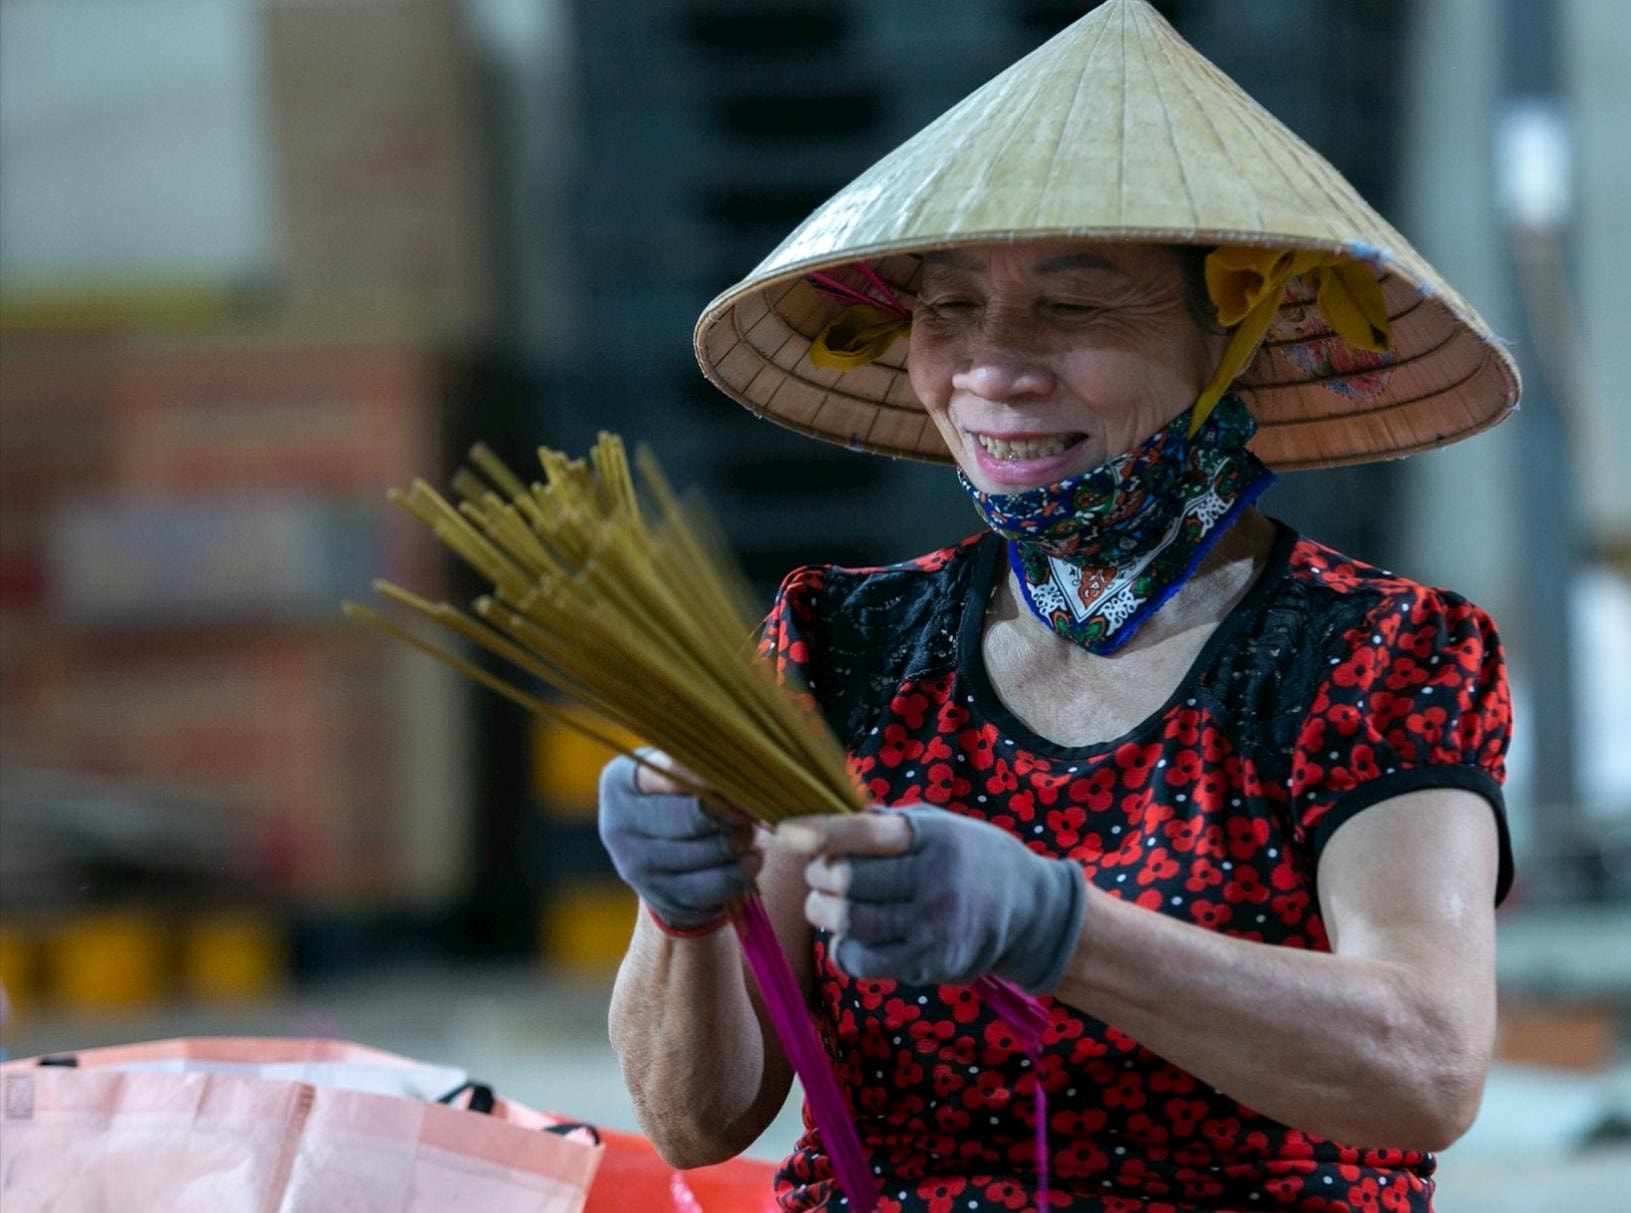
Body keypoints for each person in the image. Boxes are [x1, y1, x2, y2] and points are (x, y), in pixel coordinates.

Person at [602, 3, 1518, 1211]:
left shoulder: (1375, 655)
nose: (990, 367)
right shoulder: (842, 646)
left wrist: (1057, 930)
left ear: (1231, 332)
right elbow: (695, 1120)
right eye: (947, 307)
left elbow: (1424, 1066)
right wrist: (683, 913)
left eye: (1075, 306)